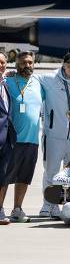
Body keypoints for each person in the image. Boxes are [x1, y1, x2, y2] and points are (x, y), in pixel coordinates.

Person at [38, 52, 70, 218]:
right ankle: (48, 205)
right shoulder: (50, 78)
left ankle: (66, 204)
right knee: (51, 171)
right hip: (54, 135)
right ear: (63, 64)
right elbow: (31, 78)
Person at [0, 52, 42, 223]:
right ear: (16, 64)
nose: (27, 65)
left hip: (32, 139)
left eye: (30, 62)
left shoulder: (38, 83)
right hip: (12, 139)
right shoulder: (7, 81)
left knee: (24, 177)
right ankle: (0, 209)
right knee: (5, 177)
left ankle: (17, 208)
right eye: (24, 62)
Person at [0, 53, 12, 225]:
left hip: (6, 139)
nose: (1, 65)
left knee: (2, 177)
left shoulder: (5, 84)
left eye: (3, 62)